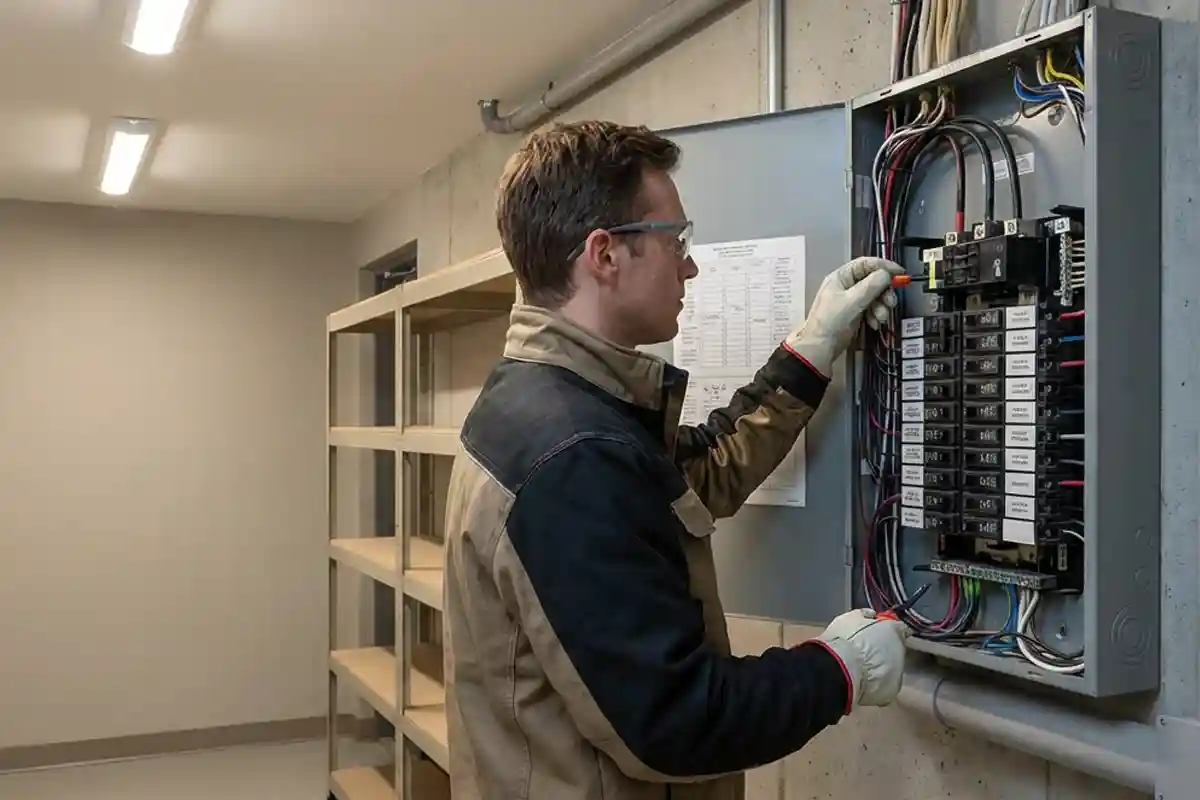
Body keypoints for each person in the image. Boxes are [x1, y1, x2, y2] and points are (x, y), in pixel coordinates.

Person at [442, 120, 910, 800]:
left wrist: (812, 348)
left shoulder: (544, 404)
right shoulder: (571, 457)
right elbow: (678, 720)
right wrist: (840, 670)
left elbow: (699, 471)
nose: (689, 265)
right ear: (605, 255)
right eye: (676, 241)